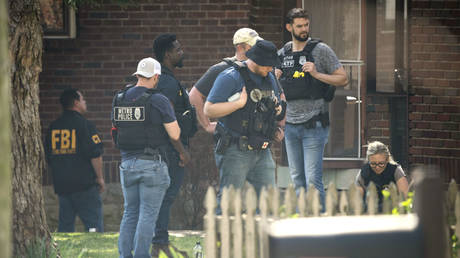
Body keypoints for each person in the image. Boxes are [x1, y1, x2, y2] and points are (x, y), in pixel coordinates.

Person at [112, 57, 190, 257]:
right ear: (155, 77)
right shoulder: (158, 99)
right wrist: (182, 151)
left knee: (130, 213)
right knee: (148, 215)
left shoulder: (119, 98)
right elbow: (174, 134)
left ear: (137, 75)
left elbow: (115, 131)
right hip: (152, 165)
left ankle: (124, 255)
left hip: (127, 163)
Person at [276, 8, 348, 208]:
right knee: (297, 178)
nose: (304, 29)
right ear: (289, 27)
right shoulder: (282, 54)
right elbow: (274, 90)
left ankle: (320, 225)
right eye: (299, 26)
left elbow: (343, 78)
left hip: (314, 124)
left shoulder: (321, 50)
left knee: (312, 179)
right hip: (290, 125)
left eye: (306, 25)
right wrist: (275, 78)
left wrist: (317, 74)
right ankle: (301, 226)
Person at [204, 39, 286, 213]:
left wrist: (277, 113)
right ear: (256, 61)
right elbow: (209, 109)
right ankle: (221, 240)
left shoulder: (269, 77)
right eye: (268, 66)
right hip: (235, 150)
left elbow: (275, 104)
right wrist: (238, 104)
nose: (271, 69)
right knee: (229, 204)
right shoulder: (231, 77)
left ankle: (263, 240)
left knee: (268, 203)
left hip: (262, 150)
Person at [151, 33, 197, 254]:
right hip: (170, 150)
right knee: (166, 197)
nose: (182, 52)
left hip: (168, 149)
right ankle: (159, 239)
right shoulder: (167, 83)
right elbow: (167, 119)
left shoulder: (165, 79)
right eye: (178, 49)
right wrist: (181, 151)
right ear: (167, 54)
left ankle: (158, 238)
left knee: (163, 197)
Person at [45, 88, 105, 232]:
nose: (85, 102)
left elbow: (48, 157)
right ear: (76, 102)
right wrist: (100, 178)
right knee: (93, 225)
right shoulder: (85, 125)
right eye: (83, 99)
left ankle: (63, 252)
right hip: (85, 185)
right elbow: (95, 154)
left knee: (65, 227)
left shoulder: (53, 127)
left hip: (62, 185)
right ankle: (95, 249)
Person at [189, 28, 263, 134]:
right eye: (252, 45)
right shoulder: (222, 69)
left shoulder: (261, 68)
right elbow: (194, 95)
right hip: (231, 139)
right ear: (240, 47)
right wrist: (207, 125)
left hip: (257, 136)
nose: (257, 48)